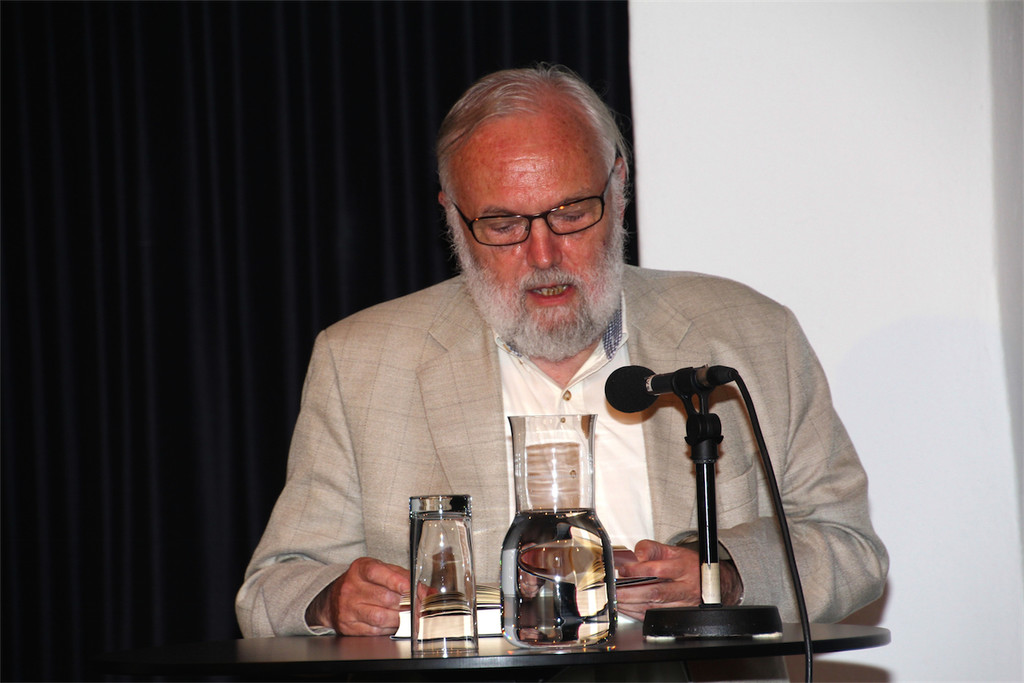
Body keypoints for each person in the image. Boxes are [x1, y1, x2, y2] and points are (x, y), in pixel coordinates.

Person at [236, 65, 888, 649]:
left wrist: (727, 574)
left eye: (571, 212)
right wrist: (333, 600)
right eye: (503, 225)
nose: (543, 255)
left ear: (620, 184)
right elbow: (272, 588)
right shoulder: (361, 361)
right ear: (453, 217)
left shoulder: (750, 335)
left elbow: (849, 547)